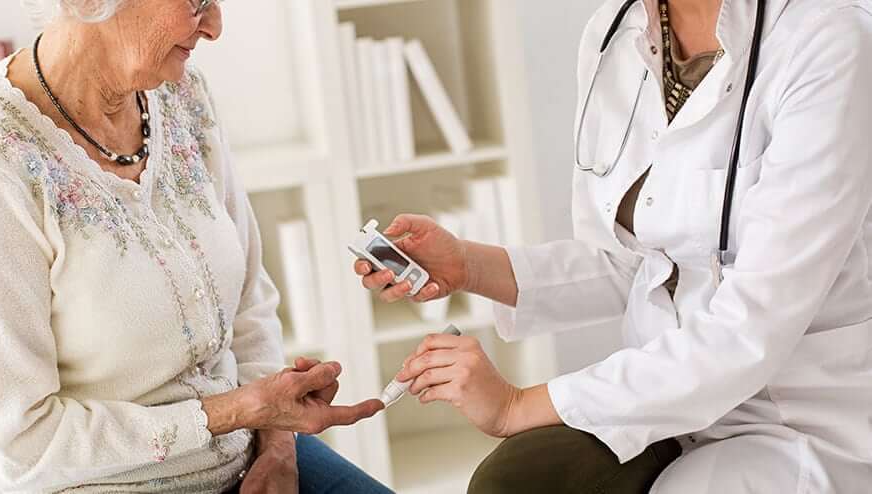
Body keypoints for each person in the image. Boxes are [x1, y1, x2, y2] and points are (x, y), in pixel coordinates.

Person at [354, 0, 872, 492]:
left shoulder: (828, 38)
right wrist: (469, 265)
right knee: (515, 481)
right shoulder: (615, 34)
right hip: (661, 400)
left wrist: (516, 406)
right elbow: (637, 259)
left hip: (796, 420)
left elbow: (751, 328)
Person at [0, 0, 390, 492]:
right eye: (196, 2)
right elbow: (21, 444)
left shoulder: (182, 93)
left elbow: (250, 297)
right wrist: (238, 409)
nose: (214, 27)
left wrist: (277, 439)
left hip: (251, 449)